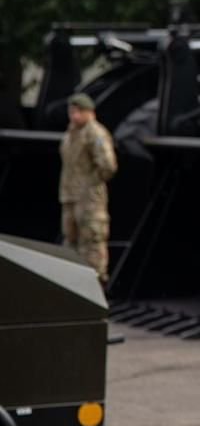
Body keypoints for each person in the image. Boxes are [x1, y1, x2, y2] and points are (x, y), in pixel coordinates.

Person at [59, 92, 117, 283]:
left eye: (79, 111)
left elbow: (108, 165)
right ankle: (72, 283)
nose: (74, 115)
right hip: (70, 196)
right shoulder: (72, 133)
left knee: (92, 241)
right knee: (71, 240)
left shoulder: (95, 133)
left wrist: (90, 184)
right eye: (72, 111)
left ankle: (95, 283)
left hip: (89, 199)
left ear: (89, 112)